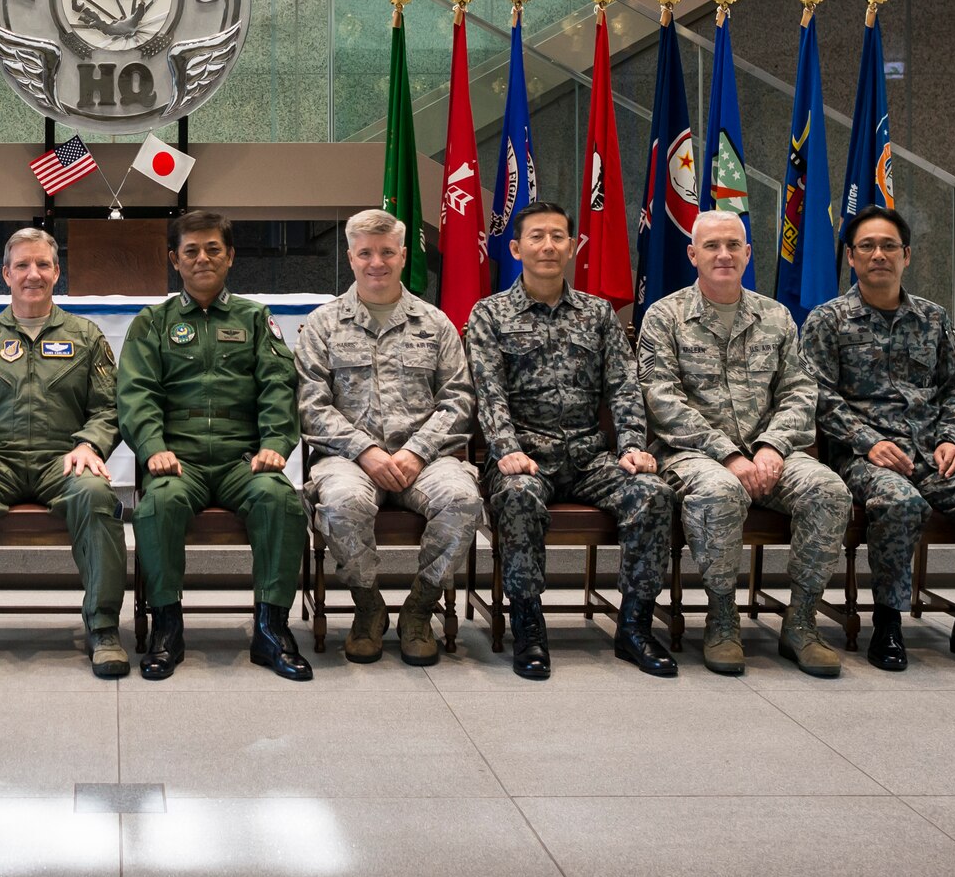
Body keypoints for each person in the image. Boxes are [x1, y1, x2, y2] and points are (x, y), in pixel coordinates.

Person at [800, 206, 955, 673]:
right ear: (851, 257)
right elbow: (814, 393)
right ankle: (887, 622)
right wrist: (866, 441)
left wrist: (954, 439)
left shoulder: (932, 318)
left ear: (907, 255)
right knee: (899, 504)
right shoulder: (829, 320)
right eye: (867, 246)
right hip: (865, 458)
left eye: (888, 247)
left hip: (932, 453)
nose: (878, 254)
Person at [465, 201, 677, 681]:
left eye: (558, 236)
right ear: (516, 248)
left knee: (653, 493)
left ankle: (635, 626)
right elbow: (488, 390)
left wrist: (631, 447)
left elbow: (623, 386)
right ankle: (529, 626)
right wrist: (506, 448)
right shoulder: (490, 314)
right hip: (524, 458)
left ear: (574, 247)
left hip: (588, 456)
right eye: (536, 236)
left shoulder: (598, 314)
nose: (548, 246)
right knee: (517, 500)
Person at [636, 211, 850, 677]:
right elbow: (661, 400)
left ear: (748, 253)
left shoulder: (775, 317)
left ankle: (802, 620)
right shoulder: (665, 316)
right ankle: (722, 617)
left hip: (771, 453)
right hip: (691, 454)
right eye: (712, 246)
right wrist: (728, 453)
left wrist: (772, 446)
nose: (724, 254)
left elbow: (800, 390)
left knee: (828, 490)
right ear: (693, 254)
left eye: (734, 245)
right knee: (719, 490)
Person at [119, 210, 311, 682]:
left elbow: (278, 387)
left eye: (213, 249)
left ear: (230, 257)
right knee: (158, 505)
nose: (202, 258)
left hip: (242, 457)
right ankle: (168, 627)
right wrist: (152, 446)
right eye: (191, 251)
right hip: (177, 458)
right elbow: (136, 392)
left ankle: (270, 629)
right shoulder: (153, 322)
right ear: (174, 260)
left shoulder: (254, 318)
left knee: (280, 499)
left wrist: (275, 444)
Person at [0, 228, 128, 679]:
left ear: (57, 272)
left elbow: (108, 406)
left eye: (42, 265)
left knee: (97, 497)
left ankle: (103, 627)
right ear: (6, 274)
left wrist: (89, 444)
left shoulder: (85, 336)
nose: (32, 274)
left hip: (64, 458)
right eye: (22, 265)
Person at [295, 208, 482, 666]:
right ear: (350, 257)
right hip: (348, 458)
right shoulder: (323, 324)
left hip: (427, 458)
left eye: (385, 252)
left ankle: (419, 608)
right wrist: (366, 451)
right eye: (365, 253)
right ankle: (368, 606)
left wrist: (417, 451)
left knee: (462, 499)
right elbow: (310, 405)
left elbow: (458, 399)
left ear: (402, 255)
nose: (375, 262)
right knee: (340, 503)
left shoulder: (435, 323)